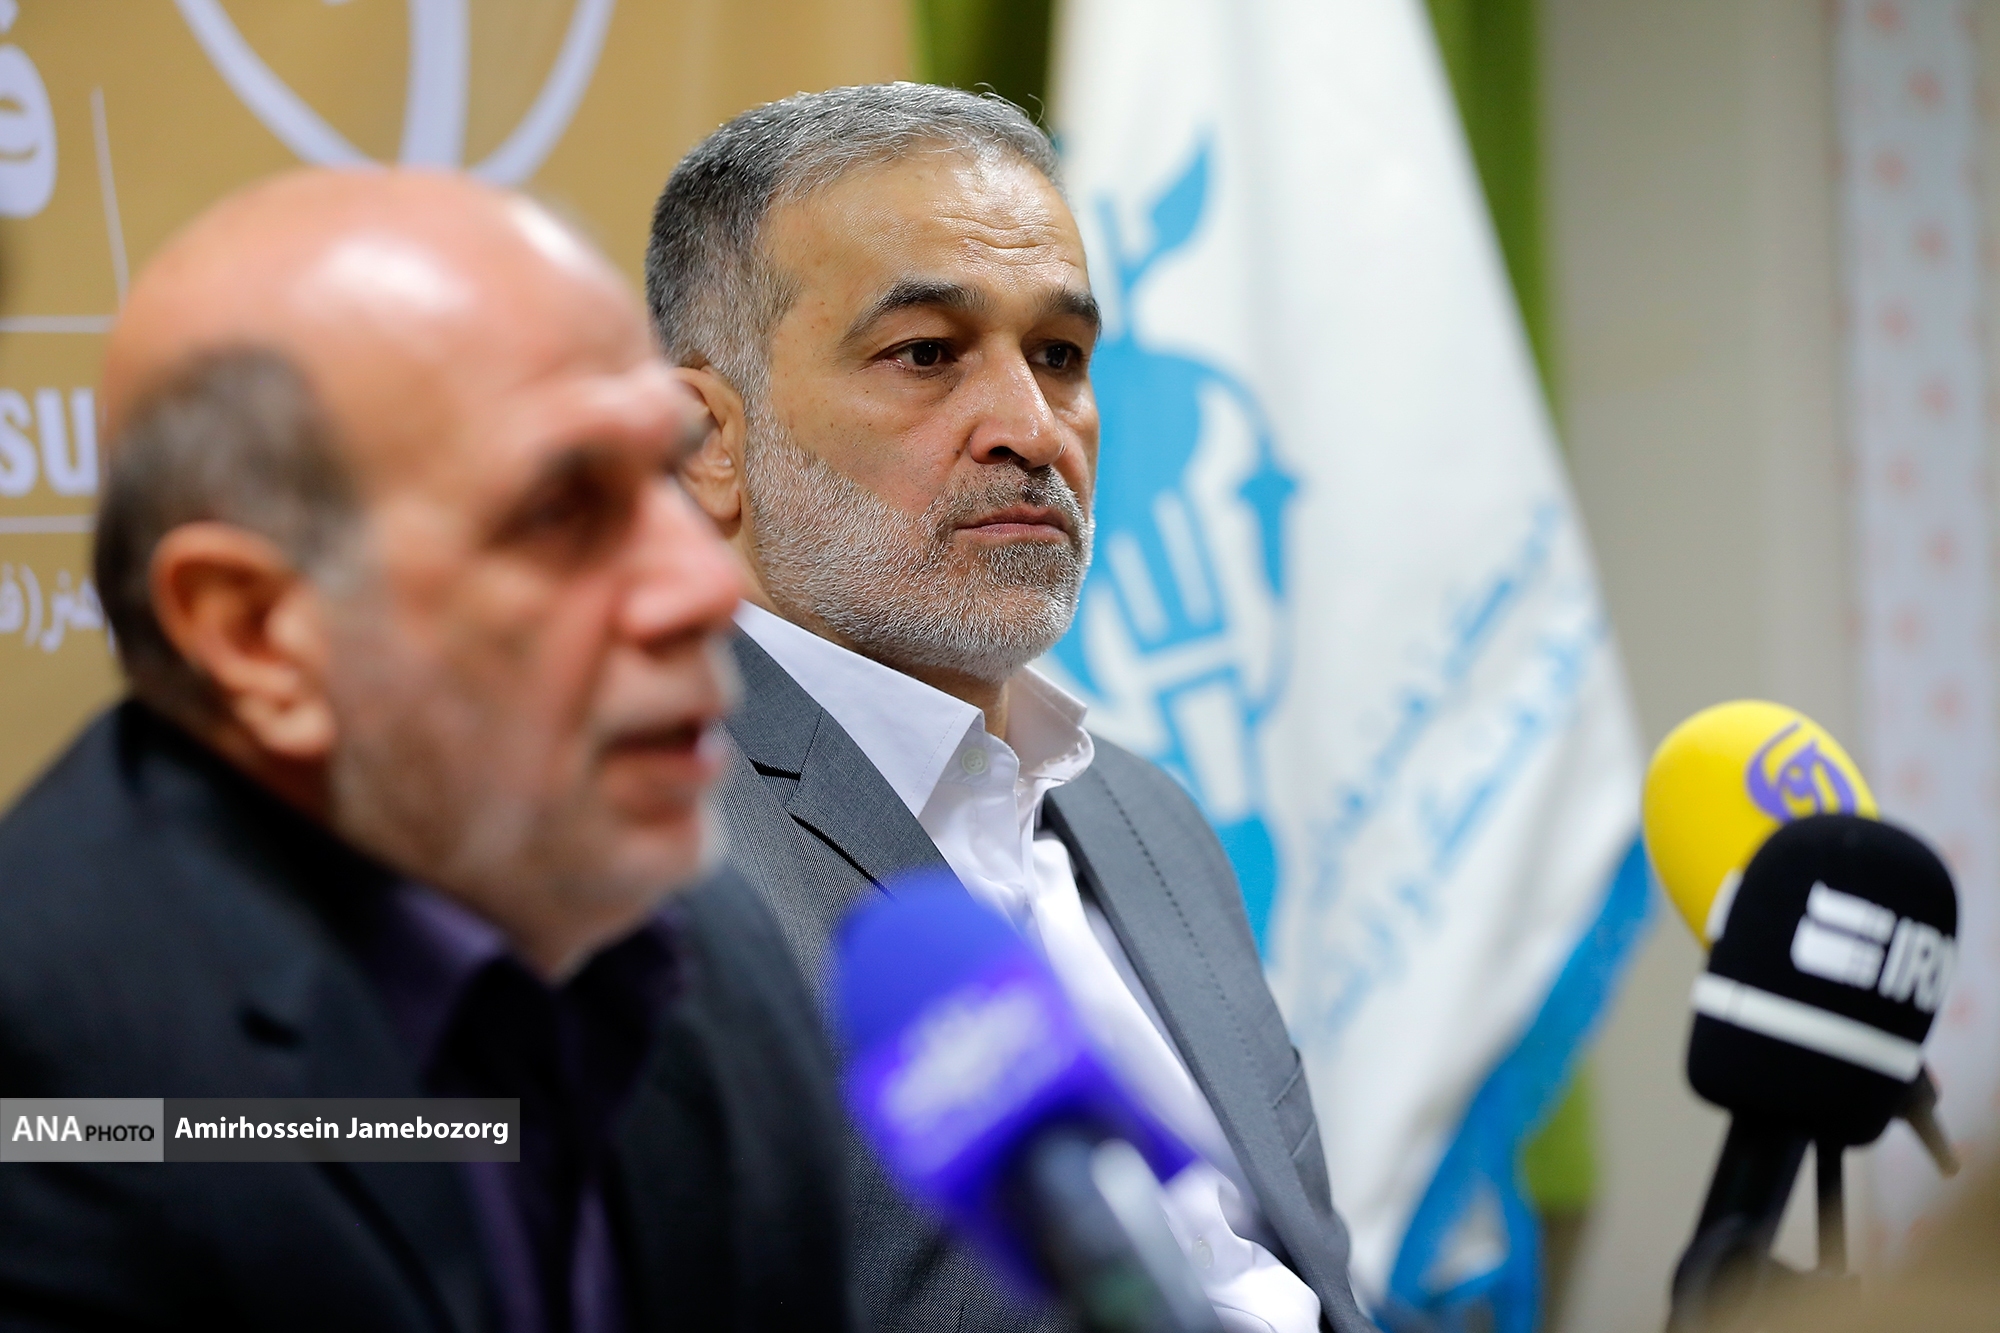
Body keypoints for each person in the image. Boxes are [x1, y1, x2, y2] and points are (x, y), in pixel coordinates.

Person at [0, 170, 857, 1332]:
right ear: (256, 633)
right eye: (560, 511)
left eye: (664, 472)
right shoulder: (59, 1090)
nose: (703, 587)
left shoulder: (707, 942)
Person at [647, 83, 1374, 1333]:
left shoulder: (1146, 813)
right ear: (710, 438)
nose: (1033, 430)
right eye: (926, 354)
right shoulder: (629, 847)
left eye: (1059, 357)